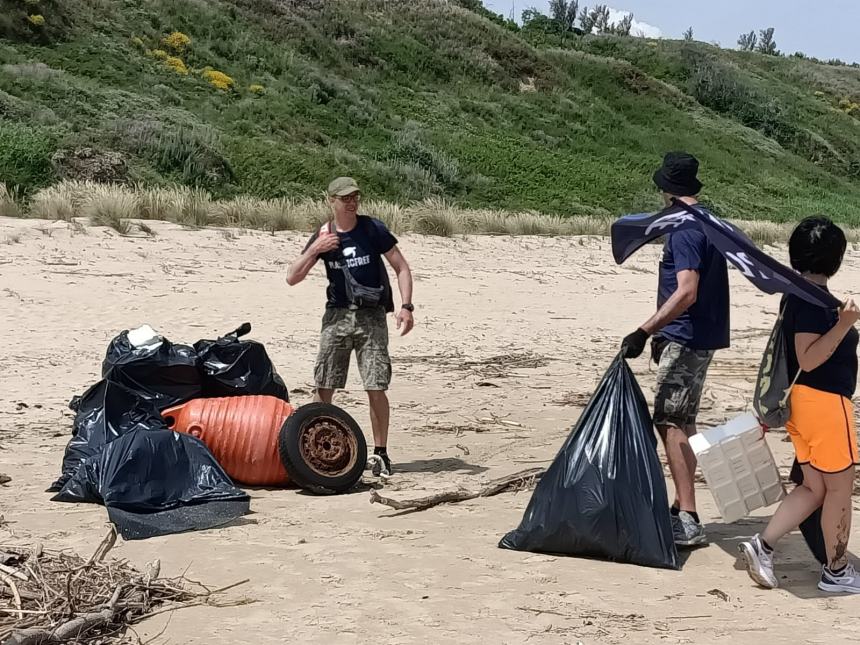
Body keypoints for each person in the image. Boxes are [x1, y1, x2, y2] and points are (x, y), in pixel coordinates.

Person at [739, 216, 860, 593]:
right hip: (824, 404)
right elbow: (808, 358)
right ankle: (836, 571)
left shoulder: (798, 295)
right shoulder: (811, 302)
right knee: (840, 487)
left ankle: (763, 546)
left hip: (804, 405)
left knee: (815, 488)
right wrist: (845, 325)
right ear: (835, 258)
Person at [620, 152, 730, 547]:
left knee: (669, 420)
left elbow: (687, 291)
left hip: (687, 336)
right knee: (682, 420)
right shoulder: (710, 222)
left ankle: (688, 514)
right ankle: (684, 507)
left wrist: (645, 331)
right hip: (699, 335)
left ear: (667, 189)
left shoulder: (684, 230)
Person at [286, 177, 414, 475]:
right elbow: (292, 277)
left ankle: (381, 453)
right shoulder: (324, 234)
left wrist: (406, 307)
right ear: (331, 200)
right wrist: (315, 249)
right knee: (325, 383)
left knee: (375, 385)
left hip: (371, 317)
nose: (352, 202)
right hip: (337, 316)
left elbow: (401, 267)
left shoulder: (372, 228)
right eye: (345, 198)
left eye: (355, 197)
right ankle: (314, 447)